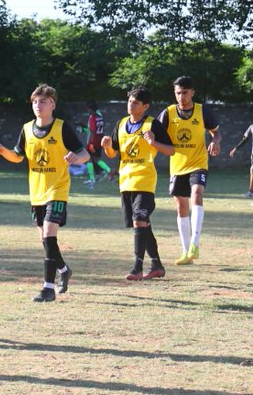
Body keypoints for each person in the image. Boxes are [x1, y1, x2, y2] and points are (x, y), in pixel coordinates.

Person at [0, 84, 89, 302]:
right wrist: (2, 151)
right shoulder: (27, 129)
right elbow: (17, 156)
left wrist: (76, 158)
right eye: (35, 102)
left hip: (57, 189)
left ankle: (48, 288)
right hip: (36, 192)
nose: (38, 105)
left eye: (43, 101)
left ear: (52, 104)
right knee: (45, 241)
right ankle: (63, 269)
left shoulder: (62, 128)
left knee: (48, 233)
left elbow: (85, 154)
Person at [100, 86, 175, 280]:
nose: (131, 105)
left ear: (145, 106)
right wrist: (108, 147)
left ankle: (137, 267)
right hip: (126, 182)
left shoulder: (153, 125)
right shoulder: (121, 124)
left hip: (144, 180)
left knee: (139, 221)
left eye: (135, 102)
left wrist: (153, 143)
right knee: (142, 224)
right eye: (129, 101)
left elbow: (170, 150)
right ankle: (157, 265)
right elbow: (113, 154)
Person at [157, 76, 220, 265]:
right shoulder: (168, 113)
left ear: (192, 92)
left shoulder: (202, 111)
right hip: (177, 166)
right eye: (178, 93)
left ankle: (195, 244)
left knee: (197, 194)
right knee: (181, 206)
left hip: (198, 163)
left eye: (185, 92)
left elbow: (215, 132)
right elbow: (157, 134)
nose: (181, 96)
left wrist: (215, 142)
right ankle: (186, 253)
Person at [83, 100, 113, 187]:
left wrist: (90, 143)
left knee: (89, 159)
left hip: (93, 142)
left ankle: (92, 179)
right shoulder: (100, 117)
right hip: (100, 141)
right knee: (96, 159)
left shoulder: (92, 117)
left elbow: (92, 132)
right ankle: (108, 170)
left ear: (90, 109)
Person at [228, 123, 253, 198]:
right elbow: (245, 139)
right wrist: (236, 148)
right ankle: (251, 192)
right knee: (252, 170)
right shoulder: (251, 127)